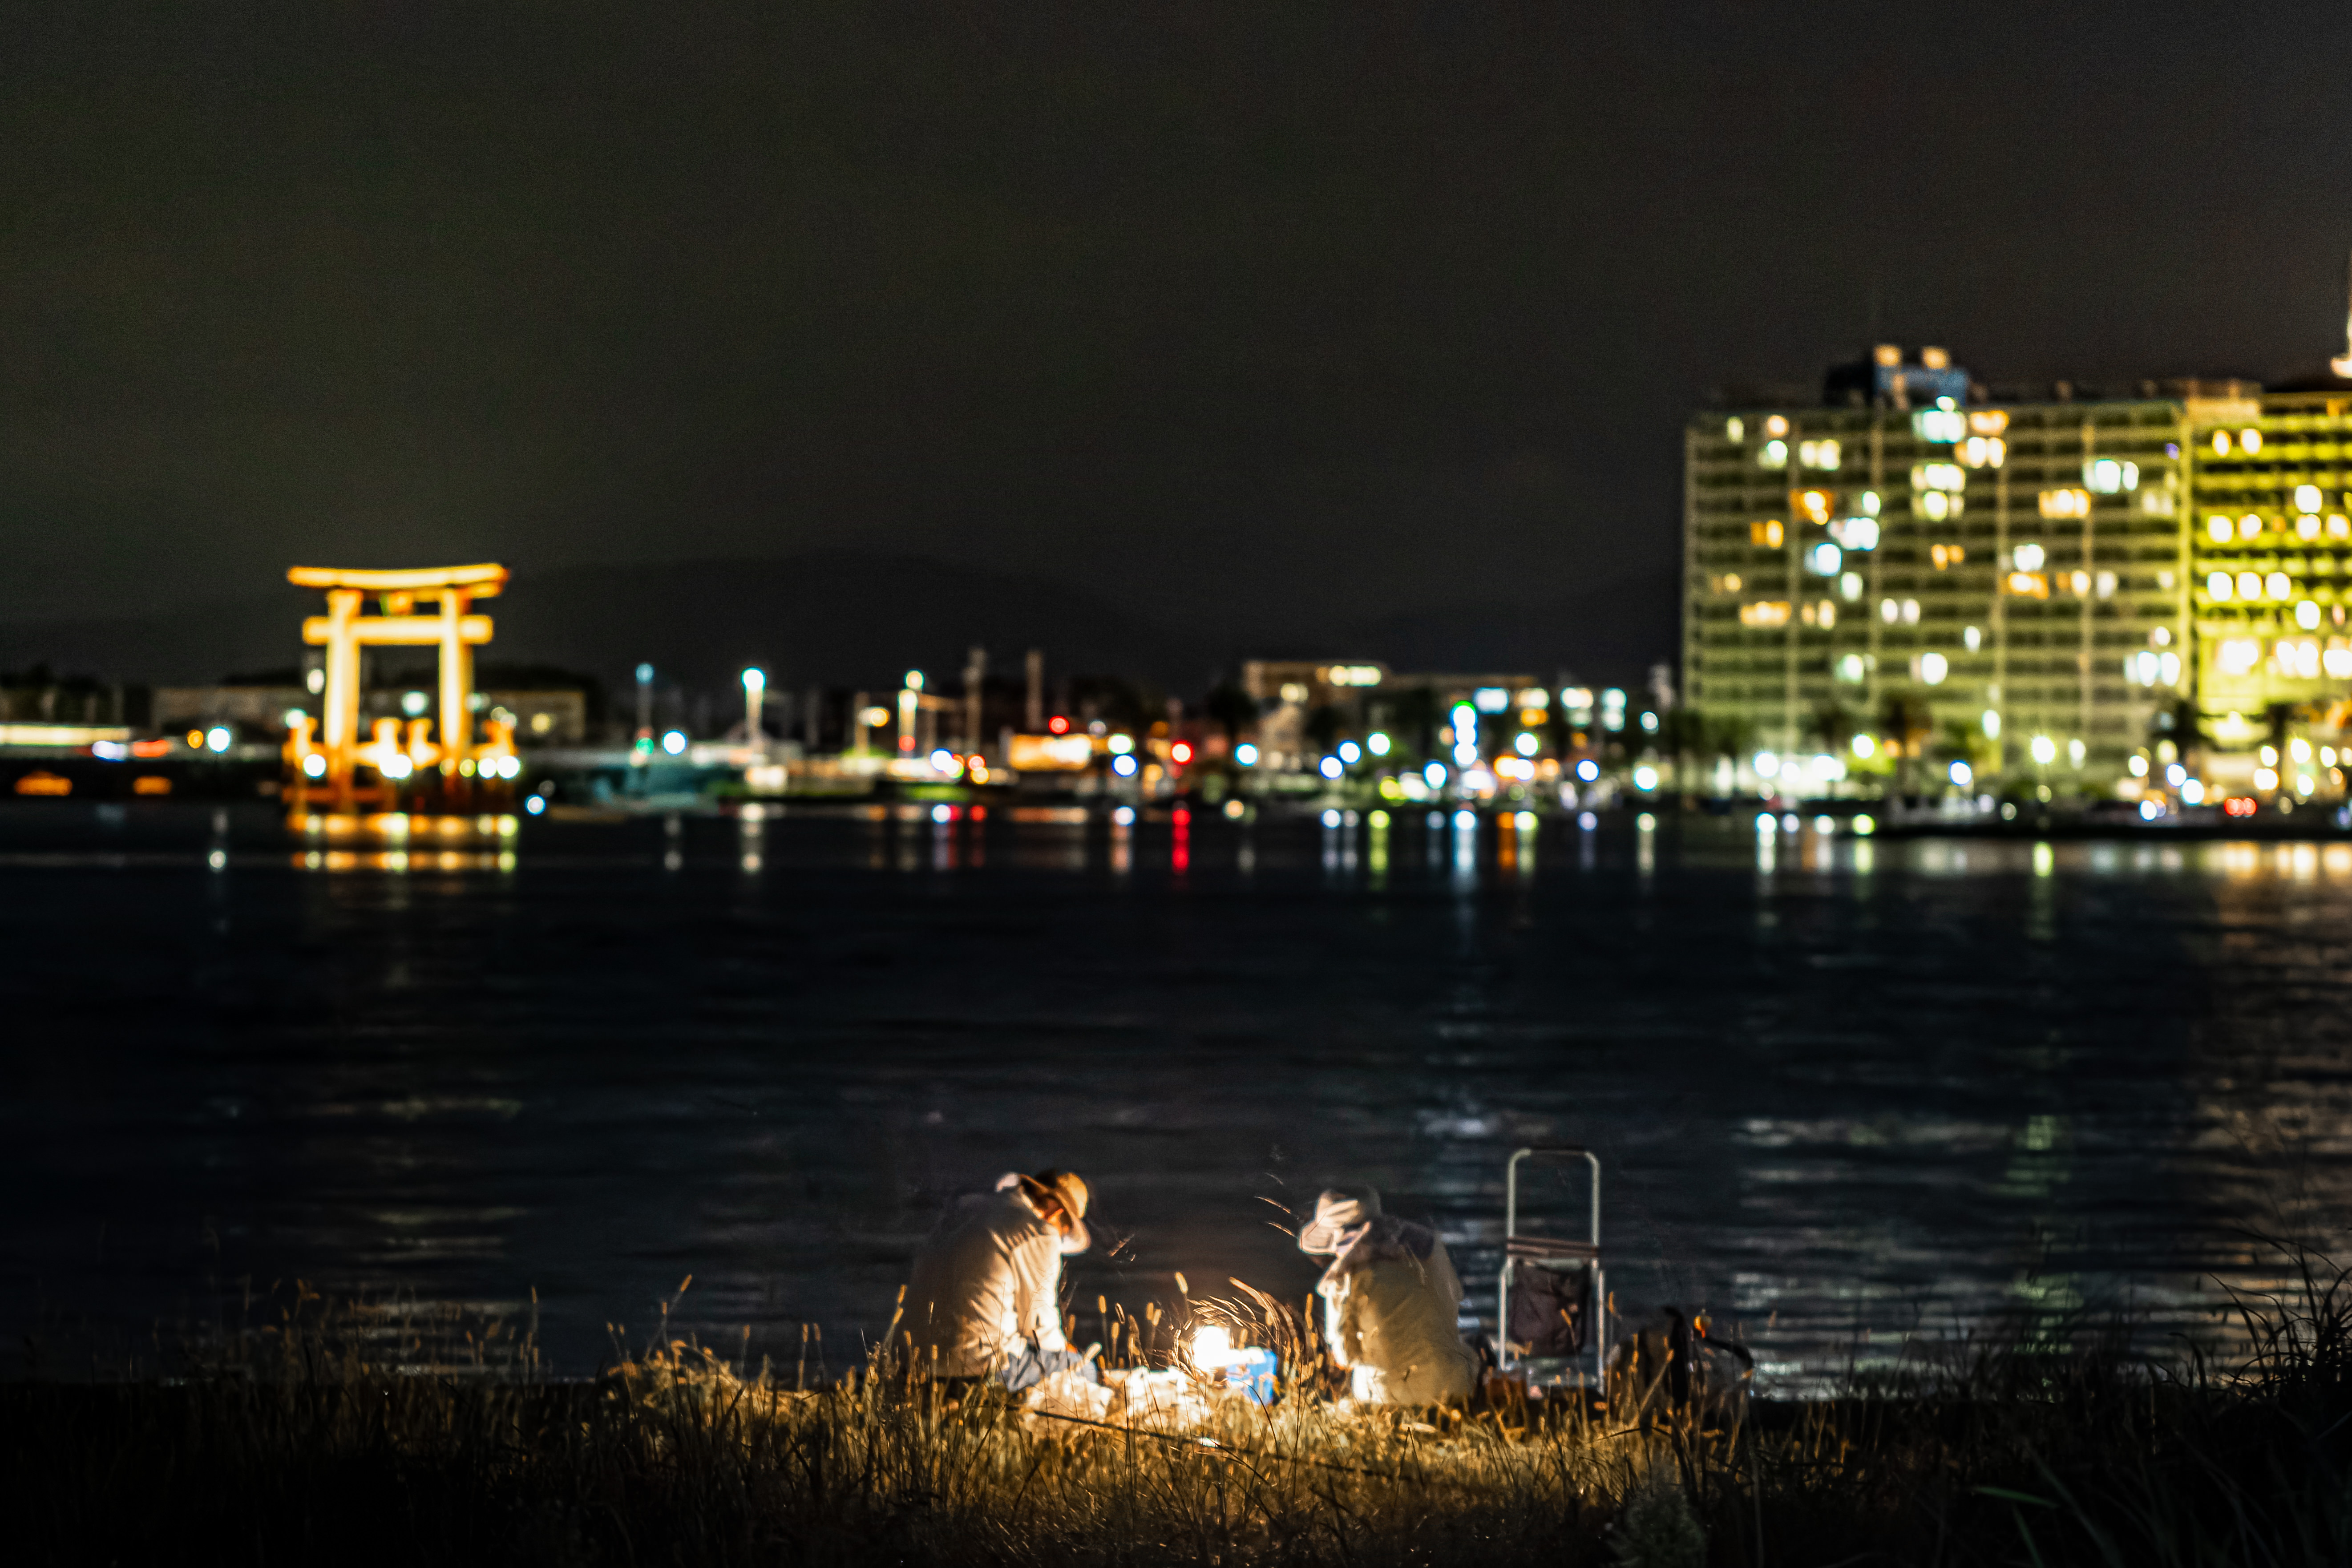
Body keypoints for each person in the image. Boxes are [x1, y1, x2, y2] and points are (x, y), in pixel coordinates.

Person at [900, 1168, 1099, 1392]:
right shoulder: (1039, 1231)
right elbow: (1038, 1328)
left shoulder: (964, 1213)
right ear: (1056, 1212)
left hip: (912, 1365)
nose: (1060, 1236)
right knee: (1085, 1370)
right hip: (977, 1371)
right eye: (1064, 1228)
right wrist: (1065, 1350)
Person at [1298, 1185, 1479, 1405]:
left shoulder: (1343, 1278)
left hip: (1389, 1399)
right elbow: (1455, 1300)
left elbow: (1346, 1355)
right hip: (1455, 1388)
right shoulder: (1431, 1249)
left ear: (1340, 1239)